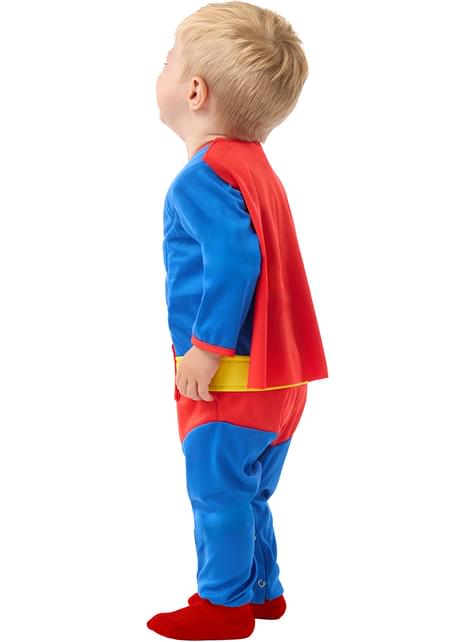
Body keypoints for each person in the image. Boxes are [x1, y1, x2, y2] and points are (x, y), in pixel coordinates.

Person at [147, 2, 328, 639]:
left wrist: (206, 347)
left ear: (194, 91)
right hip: (282, 380)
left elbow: (232, 259)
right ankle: (262, 589)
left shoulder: (199, 179)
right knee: (249, 492)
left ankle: (222, 607)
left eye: (168, 58)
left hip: (232, 380)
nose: (161, 68)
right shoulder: (256, 168)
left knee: (218, 495)